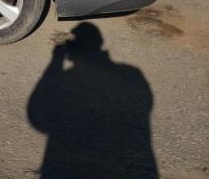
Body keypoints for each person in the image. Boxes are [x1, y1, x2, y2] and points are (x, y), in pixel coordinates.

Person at [27, 23, 158, 179]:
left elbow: (36, 114)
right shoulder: (132, 73)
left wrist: (56, 60)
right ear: (100, 42)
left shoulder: (69, 78)